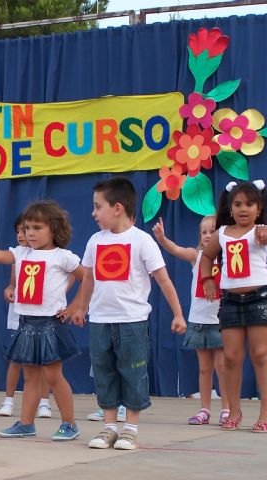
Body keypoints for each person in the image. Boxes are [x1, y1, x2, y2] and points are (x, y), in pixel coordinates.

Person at [71, 176, 186, 450]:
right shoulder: (94, 241)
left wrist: (178, 314)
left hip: (132, 322)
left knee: (133, 373)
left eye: (98, 207)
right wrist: (82, 307)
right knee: (104, 372)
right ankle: (109, 427)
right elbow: (88, 278)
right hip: (100, 321)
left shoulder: (142, 241)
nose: (94, 213)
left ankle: (130, 429)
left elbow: (163, 280)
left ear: (118, 208)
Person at [0, 200, 84, 441]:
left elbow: (87, 277)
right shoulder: (22, 253)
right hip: (27, 323)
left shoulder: (62, 257)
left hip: (50, 325)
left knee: (53, 377)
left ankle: (69, 424)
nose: (30, 233)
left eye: (37, 227)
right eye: (27, 228)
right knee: (30, 377)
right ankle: (26, 423)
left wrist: (75, 306)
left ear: (54, 229)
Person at [200, 180, 267, 433]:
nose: (244, 209)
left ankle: (266, 413)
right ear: (230, 208)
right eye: (238, 204)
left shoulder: (261, 231)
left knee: (260, 354)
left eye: (250, 204)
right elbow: (207, 256)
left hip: (259, 297)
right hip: (231, 300)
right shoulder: (221, 233)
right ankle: (233, 411)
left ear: (259, 207)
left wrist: (264, 233)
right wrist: (208, 279)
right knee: (231, 358)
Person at [153, 215, 229, 425]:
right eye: (203, 232)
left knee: (222, 367)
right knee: (204, 368)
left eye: (212, 231)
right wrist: (162, 238)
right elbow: (176, 249)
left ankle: (227, 408)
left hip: (220, 321)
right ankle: (204, 409)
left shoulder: (227, 257)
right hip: (199, 321)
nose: (207, 236)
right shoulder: (197, 256)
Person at [0, 214, 52, 418]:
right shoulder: (18, 254)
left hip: (42, 313)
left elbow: (76, 273)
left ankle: (44, 402)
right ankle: (8, 400)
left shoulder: (50, 254)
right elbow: (13, 281)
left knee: (45, 360)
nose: (22, 235)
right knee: (16, 358)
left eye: (26, 230)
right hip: (21, 311)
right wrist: (10, 288)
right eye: (19, 231)